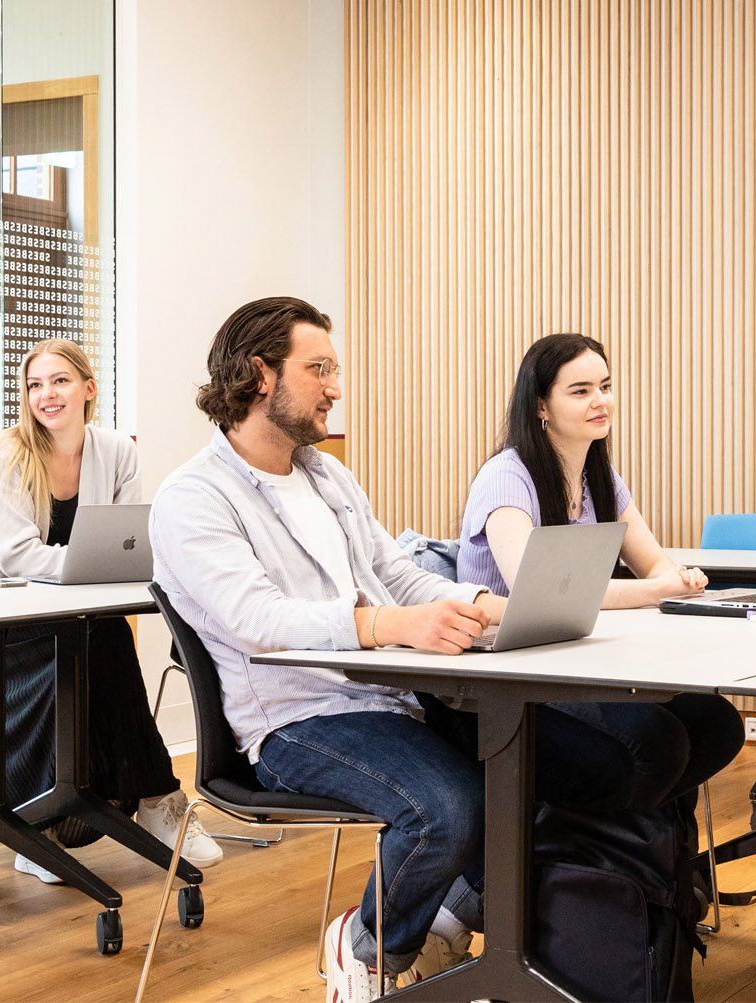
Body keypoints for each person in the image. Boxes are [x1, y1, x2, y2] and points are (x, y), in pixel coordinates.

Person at [153, 297, 504, 1001]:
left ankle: (436, 922)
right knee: (449, 805)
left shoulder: (326, 473)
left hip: (388, 693)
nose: (335, 388)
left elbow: (394, 572)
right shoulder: (193, 496)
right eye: (320, 369)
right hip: (295, 719)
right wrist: (386, 625)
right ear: (260, 374)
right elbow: (256, 617)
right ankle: (368, 944)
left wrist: (480, 606)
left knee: (539, 765)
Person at [0, 338, 217, 884]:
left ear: (89, 389)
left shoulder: (117, 450)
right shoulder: (7, 452)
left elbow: (126, 543)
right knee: (103, 637)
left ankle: (105, 809)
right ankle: (120, 805)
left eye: (60, 380)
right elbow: (14, 555)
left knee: (104, 634)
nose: (46, 394)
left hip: (75, 619)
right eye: (34, 384)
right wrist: (90, 566)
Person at [456, 332, 744, 809]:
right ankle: (590, 864)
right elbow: (545, 595)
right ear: (541, 406)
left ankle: (647, 871)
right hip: (503, 676)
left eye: (605, 387)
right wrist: (656, 591)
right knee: (656, 744)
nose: (600, 401)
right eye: (581, 391)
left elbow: (652, 562)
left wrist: (679, 580)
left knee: (717, 724)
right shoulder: (507, 475)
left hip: (575, 660)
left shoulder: (600, 476)